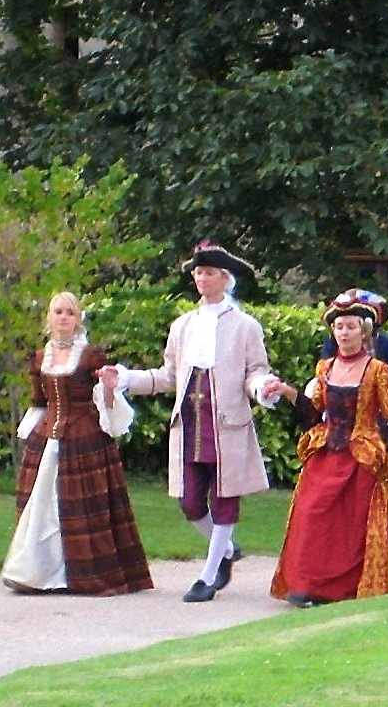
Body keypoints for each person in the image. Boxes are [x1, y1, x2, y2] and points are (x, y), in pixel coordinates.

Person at [98, 240, 279, 603]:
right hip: (190, 425)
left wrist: (262, 388)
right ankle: (226, 550)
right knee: (190, 503)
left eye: (209, 272)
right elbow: (168, 376)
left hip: (227, 425)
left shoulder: (245, 326)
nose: (201, 278)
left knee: (225, 499)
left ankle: (208, 575)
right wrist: (127, 378)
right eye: (198, 272)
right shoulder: (183, 325)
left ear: (225, 279)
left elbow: (255, 372)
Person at [266, 292, 388, 607]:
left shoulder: (377, 369)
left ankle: (345, 587)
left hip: (363, 456)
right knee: (312, 514)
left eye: (351, 326)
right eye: (339, 326)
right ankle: (307, 585)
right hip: (328, 452)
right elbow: (314, 412)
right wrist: (286, 391)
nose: (344, 332)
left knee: (353, 525)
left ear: (363, 331)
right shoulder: (325, 367)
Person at [2, 292, 153, 596]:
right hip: (48, 439)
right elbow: (40, 401)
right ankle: (36, 573)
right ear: (49, 317)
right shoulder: (39, 357)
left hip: (85, 440)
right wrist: (32, 434)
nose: (63, 317)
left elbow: (103, 400)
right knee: (43, 508)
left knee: (78, 508)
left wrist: (110, 389)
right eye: (58, 311)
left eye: (69, 312)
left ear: (78, 318)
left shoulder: (90, 356)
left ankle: (79, 576)